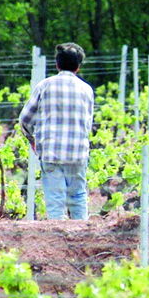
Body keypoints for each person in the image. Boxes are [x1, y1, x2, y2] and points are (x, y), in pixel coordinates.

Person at [19, 43, 94, 220]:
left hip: (50, 152)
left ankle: (59, 241)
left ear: (57, 65)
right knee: (78, 197)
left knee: (55, 201)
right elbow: (88, 123)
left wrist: (32, 139)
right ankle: (81, 238)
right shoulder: (87, 89)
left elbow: (24, 119)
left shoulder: (44, 86)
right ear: (78, 66)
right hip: (77, 153)